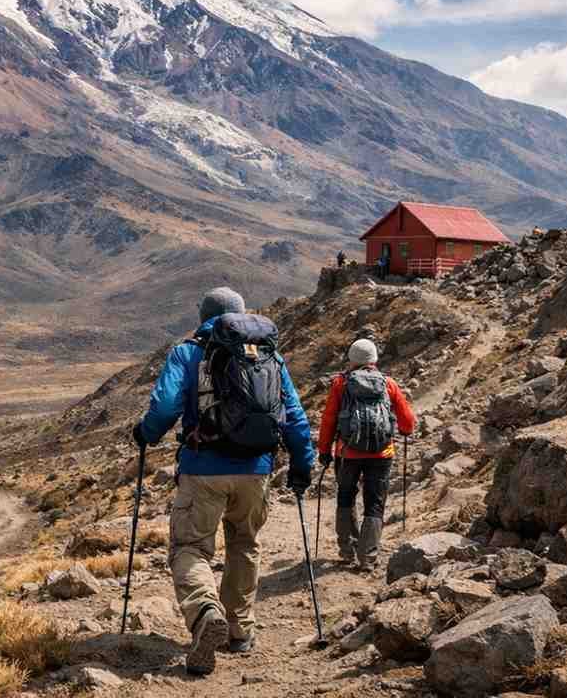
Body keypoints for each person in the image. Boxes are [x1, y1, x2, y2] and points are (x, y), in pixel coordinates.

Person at [133, 288, 316, 676]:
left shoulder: (188, 353)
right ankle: (239, 630)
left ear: (203, 317)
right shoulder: (268, 355)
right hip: (256, 470)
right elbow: (295, 416)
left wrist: (146, 434)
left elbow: (164, 407)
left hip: (203, 468)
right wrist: (302, 466)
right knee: (244, 543)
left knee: (190, 548)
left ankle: (205, 613)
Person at [317, 339, 415, 572]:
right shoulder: (388, 383)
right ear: (374, 360)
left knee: (345, 497)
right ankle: (368, 558)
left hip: (347, 453)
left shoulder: (341, 383)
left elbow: (329, 419)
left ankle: (347, 551)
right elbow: (408, 422)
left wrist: (324, 450)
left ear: (351, 359)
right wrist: (404, 430)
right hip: (382, 453)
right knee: (375, 502)